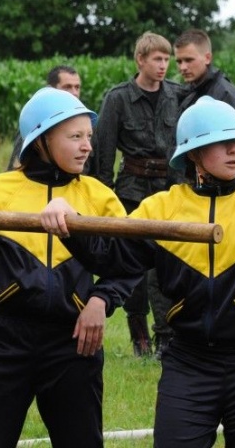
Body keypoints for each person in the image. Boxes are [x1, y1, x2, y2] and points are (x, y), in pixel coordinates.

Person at [42, 97, 235, 448]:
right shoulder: (161, 208)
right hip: (189, 363)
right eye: (221, 143)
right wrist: (70, 221)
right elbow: (110, 259)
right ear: (194, 153)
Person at [0, 87, 139, 448]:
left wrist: (100, 301)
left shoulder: (99, 196)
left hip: (74, 344)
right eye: (75, 136)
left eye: (89, 137)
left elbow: (127, 265)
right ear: (41, 140)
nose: (87, 147)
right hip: (4, 340)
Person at [89, 31, 179, 358]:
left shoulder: (177, 96)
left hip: (168, 190)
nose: (163, 65)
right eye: (157, 59)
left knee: (165, 264)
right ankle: (139, 335)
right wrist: (102, 198)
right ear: (140, 60)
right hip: (130, 190)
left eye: (167, 59)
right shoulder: (118, 98)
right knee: (132, 268)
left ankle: (167, 337)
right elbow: (103, 152)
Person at [5, 64, 82, 170]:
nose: (74, 93)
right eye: (67, 87)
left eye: (77, 87)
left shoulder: (86, 123)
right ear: (51, 89)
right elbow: (17, 167)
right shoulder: (35, 124)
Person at [173, 28, 235, 124]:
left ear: (207, 58)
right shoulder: (188, 89)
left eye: (189, 60)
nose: (183, 67)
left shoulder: (225, 93)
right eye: (179, 61)